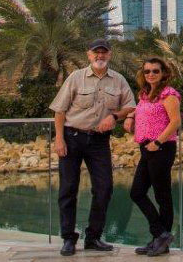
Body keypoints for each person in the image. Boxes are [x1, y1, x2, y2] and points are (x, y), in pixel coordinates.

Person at [49, 38, 136, 256]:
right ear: (88, 55)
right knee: (68, 188)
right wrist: (59, 139)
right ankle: (68, 238)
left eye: (104, 52)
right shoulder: (76, 77)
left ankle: (93, 237)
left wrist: (115, 116)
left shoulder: (118, 80)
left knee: (104, 188)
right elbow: (59, 110)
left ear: (110, 55)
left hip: (99, 142)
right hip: (72, 137)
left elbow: (130, 106)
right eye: (96, 52)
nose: (100, 56)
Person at [125, 56, 182, 256]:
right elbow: (141, 110)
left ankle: (160, 239)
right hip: (146, 148)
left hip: (161, 148)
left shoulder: (169, 94)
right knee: (137, 192)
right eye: (147, 71)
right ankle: (160, 236)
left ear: (163, 73)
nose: (151, 74)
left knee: (162, 195)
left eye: (155, 71)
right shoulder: (144, 93)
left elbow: (175, 122)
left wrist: (157, 142)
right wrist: (130, 116)